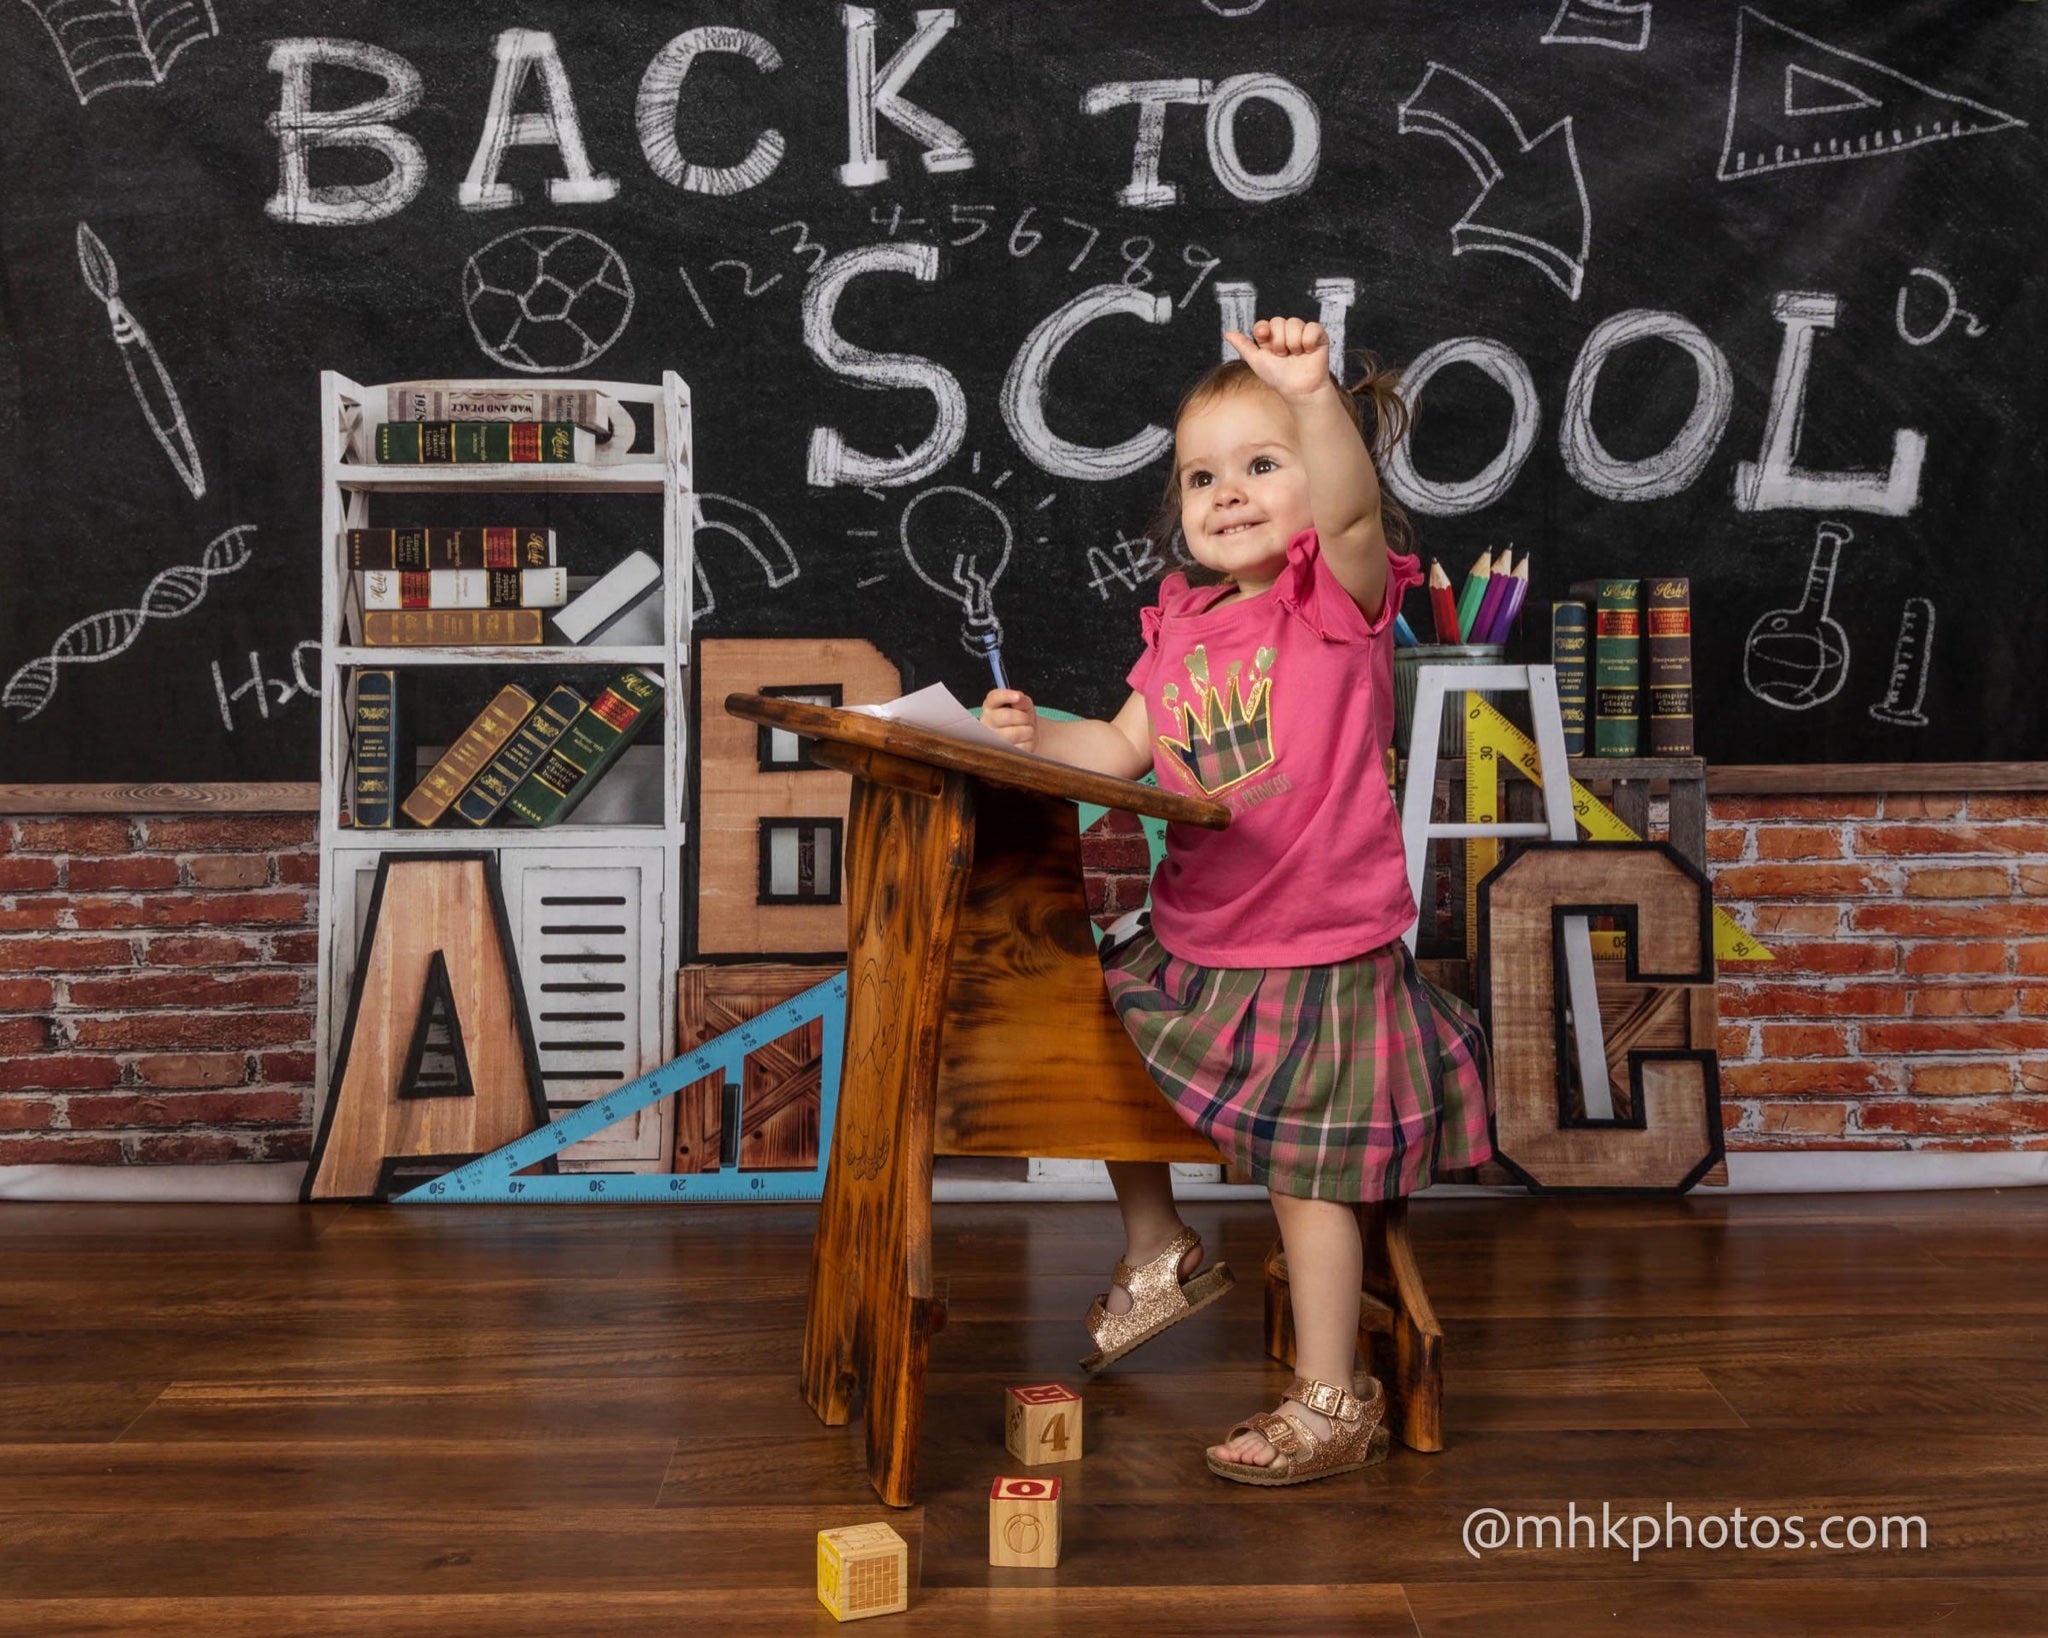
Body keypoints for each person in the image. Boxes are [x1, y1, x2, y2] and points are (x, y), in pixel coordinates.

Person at [981, 316, 1493, 1486]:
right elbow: (1111, 752)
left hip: (1315, 947)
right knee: (1083, 1025)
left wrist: (1311, 395)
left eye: (1261, 465)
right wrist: (1025, 732)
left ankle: (1330, 1396)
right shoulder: (1185, 629)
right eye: (1200, 476)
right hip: (1197, 938)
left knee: (1308, 1182)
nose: (1225, 494)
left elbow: (1355, 515)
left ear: (1319, 477)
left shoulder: (1334, 605)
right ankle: (1156, 1246)